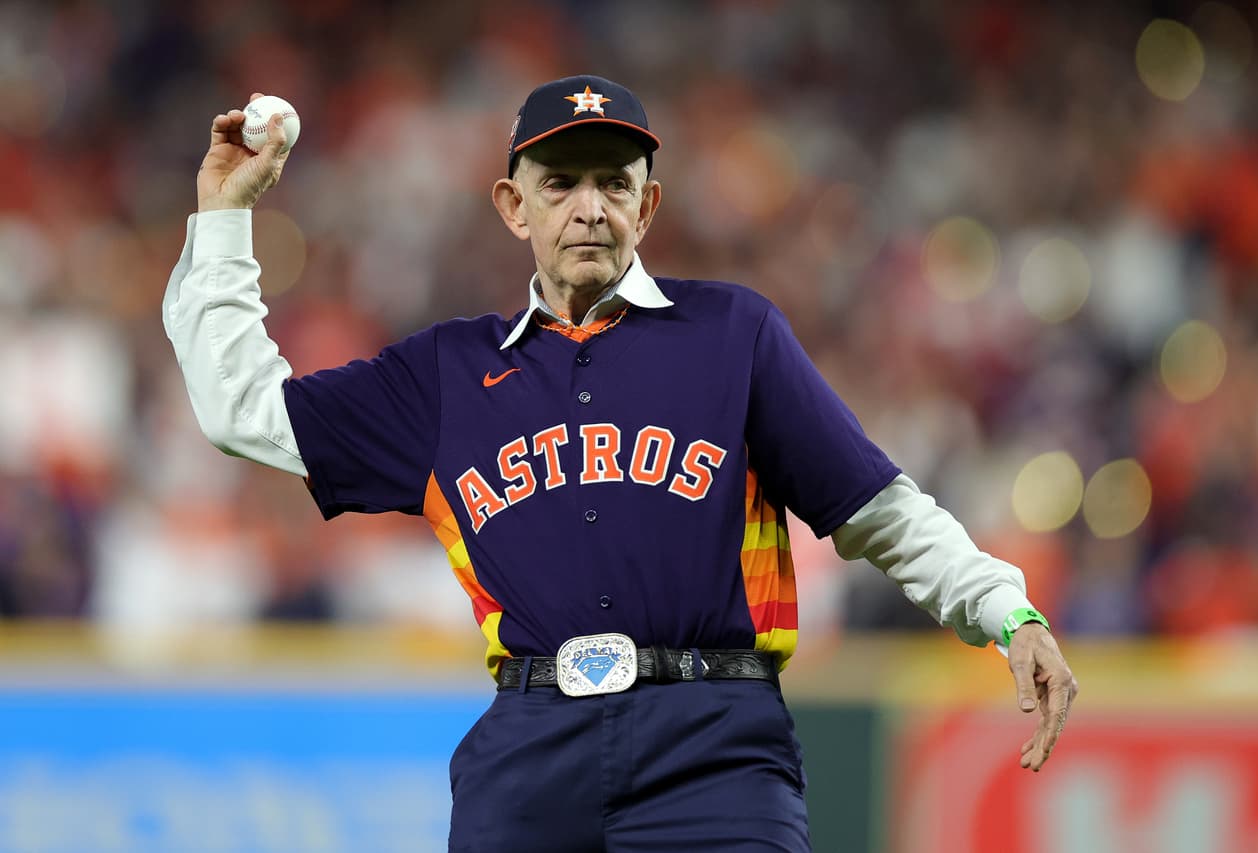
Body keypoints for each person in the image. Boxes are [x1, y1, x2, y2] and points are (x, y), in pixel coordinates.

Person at [165, 75, 1078, 852]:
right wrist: (224, 217)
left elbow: (877, 506)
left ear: (649, 203)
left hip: (715, 746)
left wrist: (1006, 609)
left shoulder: (733, 334)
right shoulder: (445, 373)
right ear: (512, 205)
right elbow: (243, 410)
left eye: (614, 182)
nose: (589, 207)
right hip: (530, 748)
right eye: (560, 182)